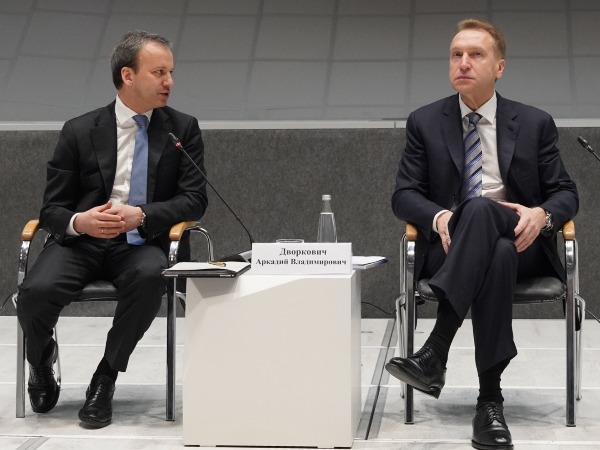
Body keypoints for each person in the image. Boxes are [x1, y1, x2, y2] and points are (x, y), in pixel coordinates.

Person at [385, 18, 578, 450]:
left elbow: (566, 192)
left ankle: (435, 350)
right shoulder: (425, 121)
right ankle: (490, 402)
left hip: (524, 241)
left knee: (482, 214)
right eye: (456, 54)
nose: (464, 63)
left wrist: (541, 214)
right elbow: (404, 195)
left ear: (499, 67)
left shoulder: (534, 123)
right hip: (453, 248)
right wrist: (440, 218)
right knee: (495, 250)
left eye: (476, 54)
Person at [16, 30, 207, 428]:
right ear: (128, 75)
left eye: (171, 72)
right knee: (34, 292)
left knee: (151, 277)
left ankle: (105, 377)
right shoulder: (79, 130)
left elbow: (194, 199)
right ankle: (41, 360)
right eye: (159, 72)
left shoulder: (182, 128)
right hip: (81, 243)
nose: (170, 82)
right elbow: (52, 208)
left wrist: (143, 215)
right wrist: (80, 221)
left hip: (141, 243)